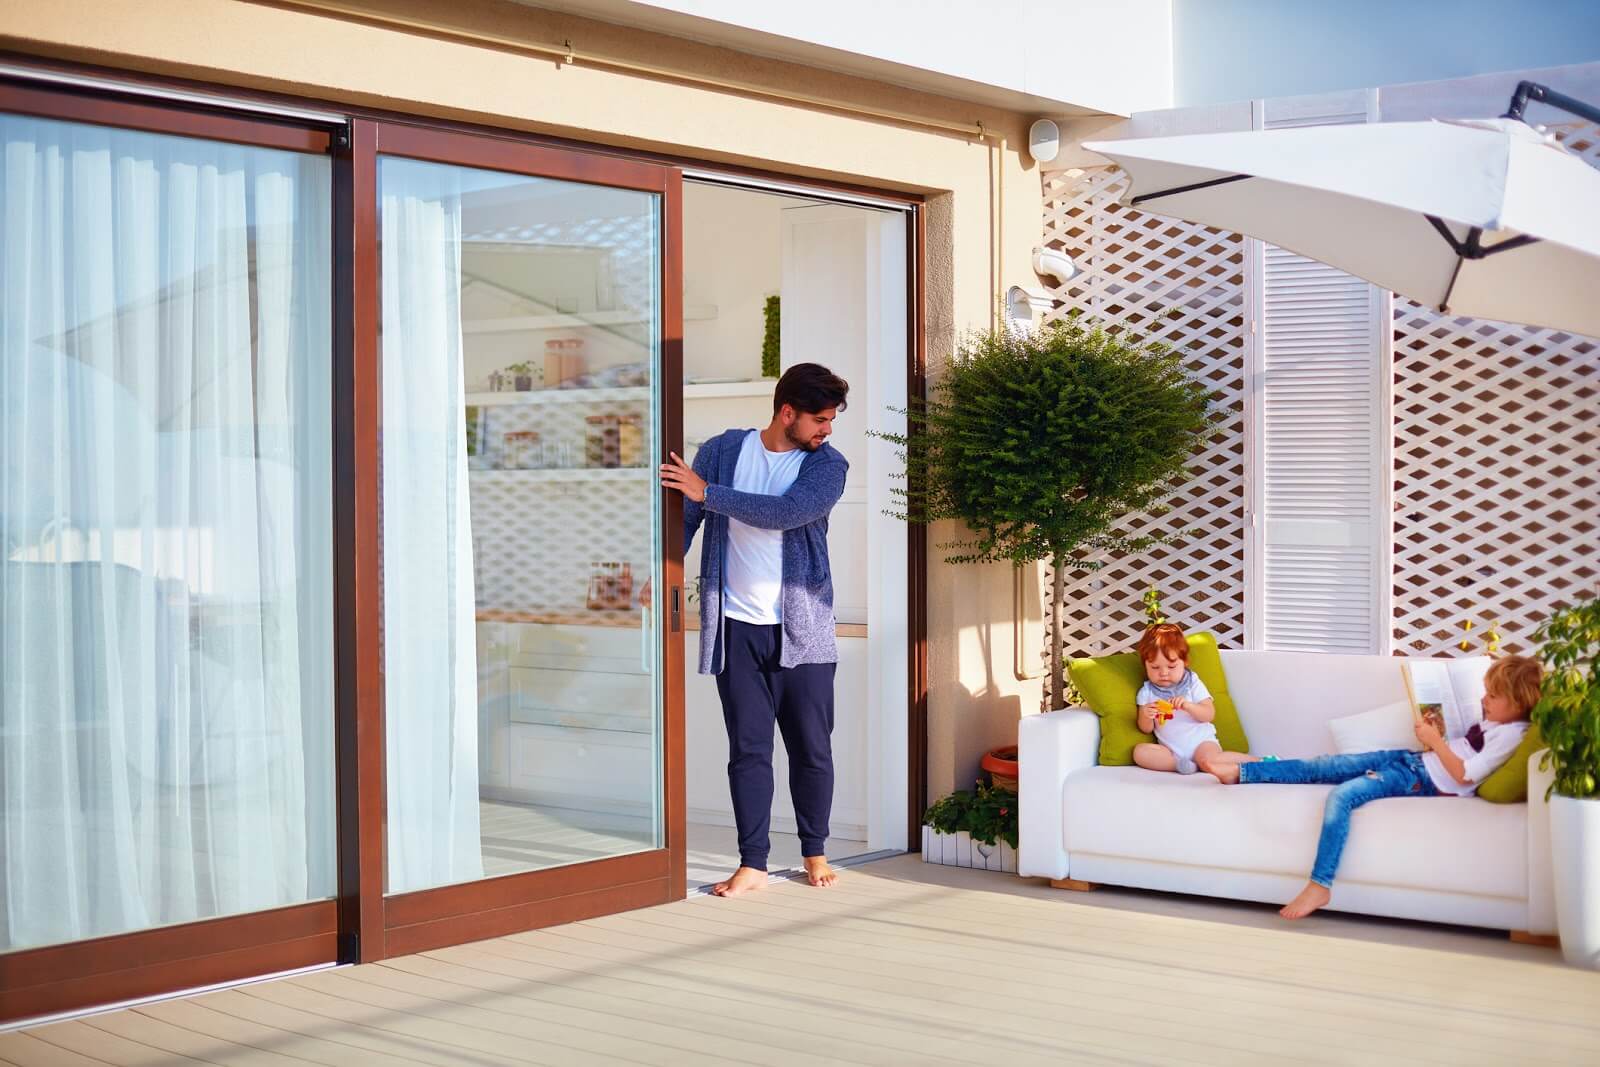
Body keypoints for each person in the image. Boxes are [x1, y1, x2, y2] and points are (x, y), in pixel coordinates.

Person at [656, 362, 850, 897]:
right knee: (748, 748)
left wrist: (707, 493)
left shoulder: (827, 467)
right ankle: (753, 864)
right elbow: (685, 520)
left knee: (812, 749)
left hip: (803, 631)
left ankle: (814, 850)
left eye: (831, 419)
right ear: (786, 412)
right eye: (819, 419)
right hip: (736, 627)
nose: (826, 429)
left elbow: (787, 513)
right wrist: (658, 570)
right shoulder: (720, 452)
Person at [1215, 654, 1543, 920]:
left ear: (1518, 702)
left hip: (1420, 778)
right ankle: (1242, 772)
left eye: (1493, 696)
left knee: (1342, 795)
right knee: (1323, 765)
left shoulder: (1514, 734)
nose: (1484, 699)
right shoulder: (1500, 721)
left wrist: (1434, 742)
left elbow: (1464, 775)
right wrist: (1434, 733)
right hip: (1412, 760)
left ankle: (1320, 884)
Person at [1132, 622, 1254, 777]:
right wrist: (1146, 715)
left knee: (1209, 759)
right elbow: (1145, 728)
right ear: (1145, 666)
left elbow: (1209, 714)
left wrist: (1188, 706)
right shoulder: (1147, 692)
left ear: (1184, 662)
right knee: (1139, 752)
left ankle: (1259, 761)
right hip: (1171, 752)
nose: (1163, 673)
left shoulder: (1192, 683)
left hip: (1202, 743)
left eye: (1171, 667)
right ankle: (1180, 766)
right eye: (1155, 668)